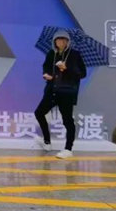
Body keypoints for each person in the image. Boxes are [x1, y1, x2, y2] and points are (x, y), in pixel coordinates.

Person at [34, 30, 87, 159]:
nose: (61, 42)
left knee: (67, 120)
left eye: (64, 40)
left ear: (68, 42)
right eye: (58, 40)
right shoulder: (51, 54)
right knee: (39, 113)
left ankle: (68, 149)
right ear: (55, 42)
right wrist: (46, 75)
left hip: (66, 92)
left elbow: (82, 73)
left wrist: (67, 69)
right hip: (52, 91)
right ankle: (47, 142)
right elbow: (46, 67)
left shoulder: (74, 54)